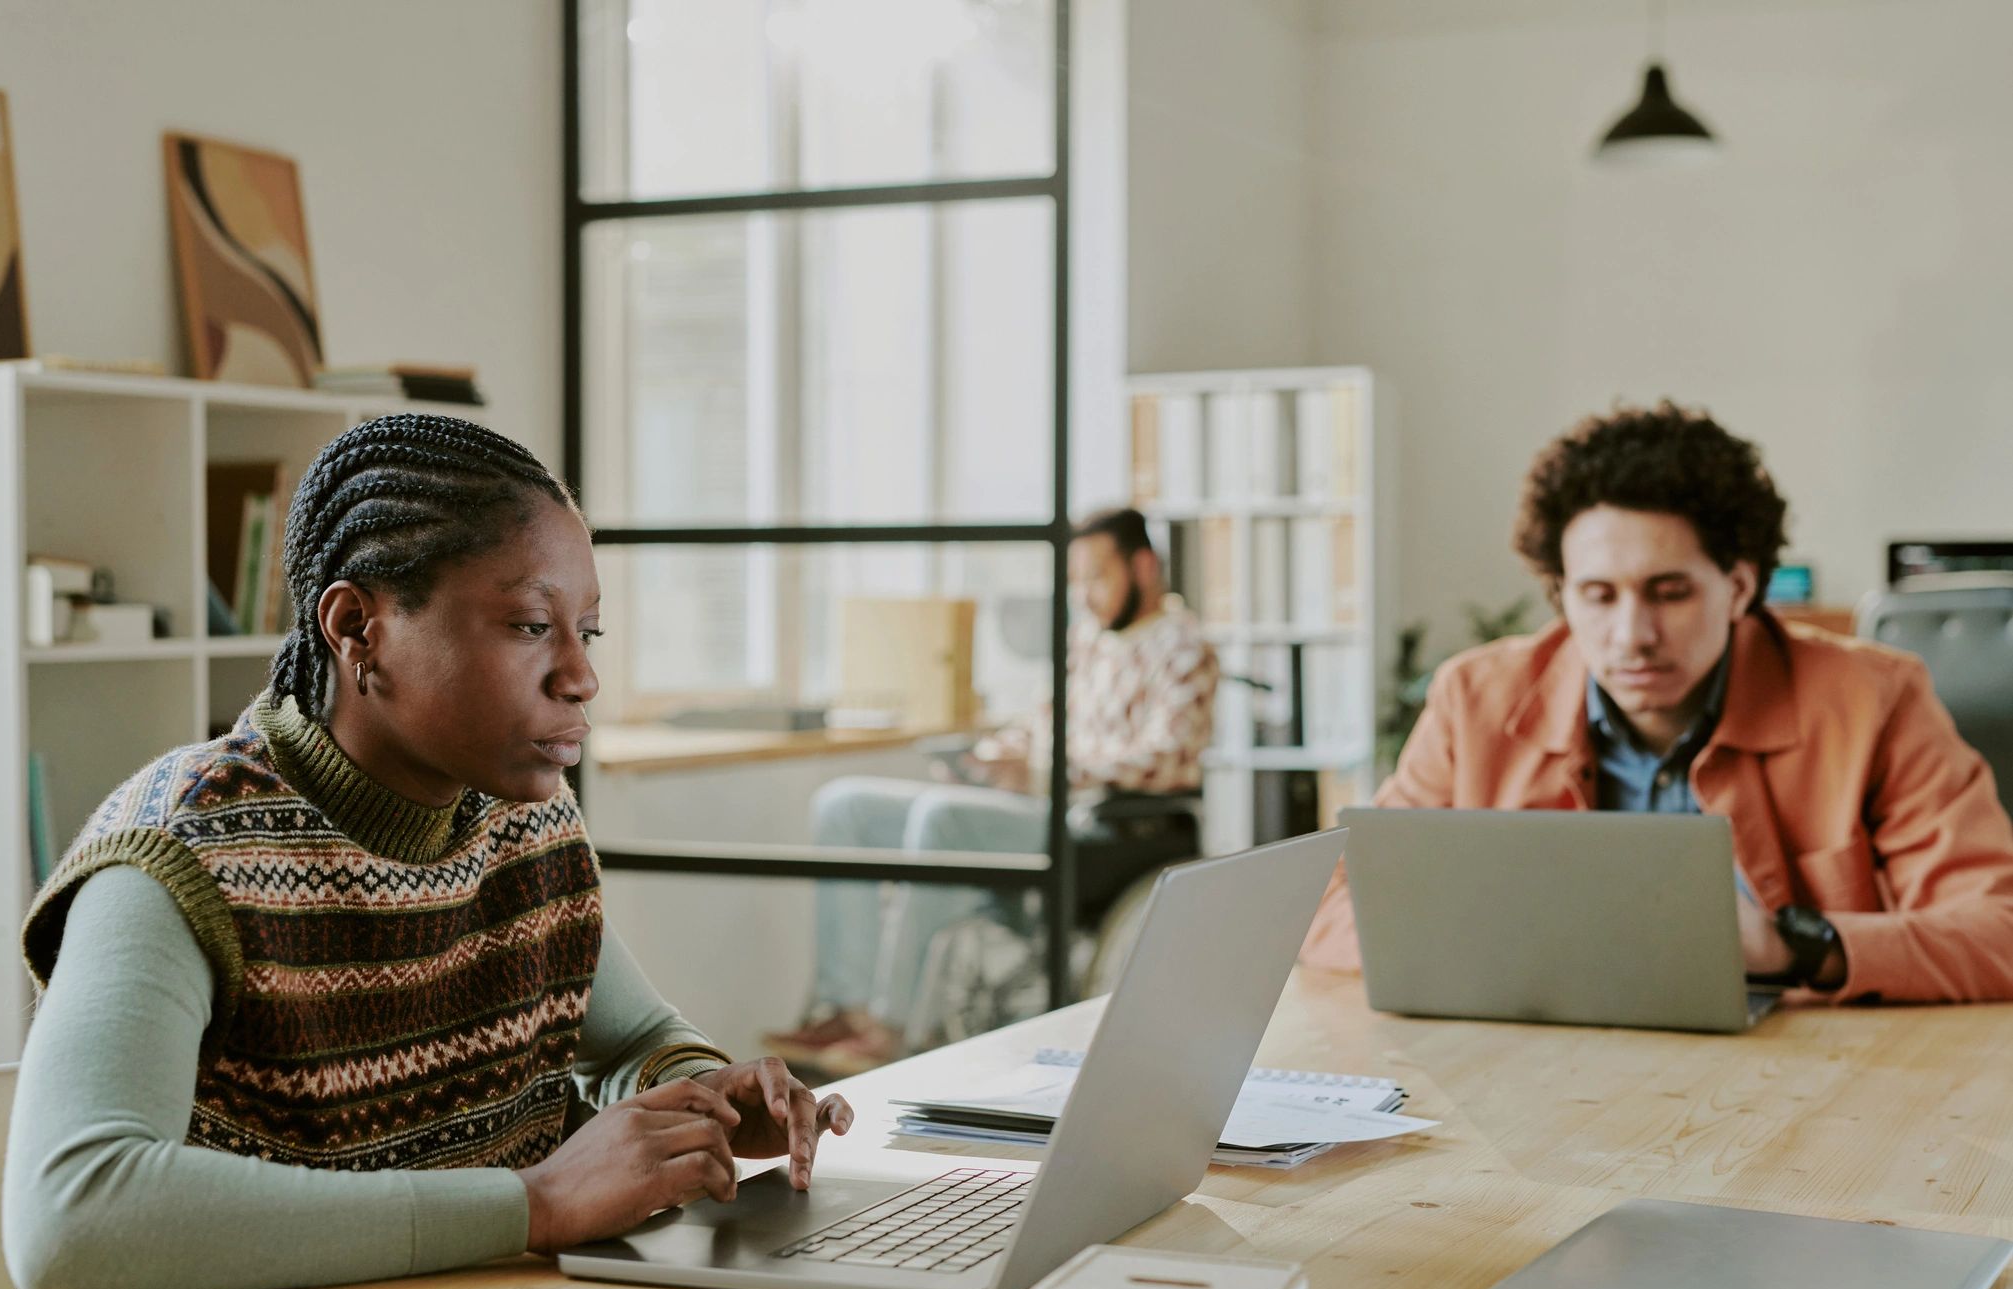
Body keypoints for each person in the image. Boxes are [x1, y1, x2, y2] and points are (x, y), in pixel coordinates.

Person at [3, 414, 853, 1289]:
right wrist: (534, 1204)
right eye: (531, 626)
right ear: (356, 628)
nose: (579, 677)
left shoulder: (522, 819)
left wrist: (699, 1102)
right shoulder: (178, 853)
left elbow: (634, 1041)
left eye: (587, 632)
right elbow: (72, 1219)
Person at [1301, 402, 2013, 1002]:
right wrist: (1495, 947)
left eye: (1669, 593)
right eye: (1597, 595)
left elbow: (1998, 930)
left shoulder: (1873, 700)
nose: (1631, 635)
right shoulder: (1474, 700)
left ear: (1739, 587)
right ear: (1561, 594)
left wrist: (1792, 948)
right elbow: (1326, 907)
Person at [767, 507, 1220, 1073]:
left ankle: (891, 1027)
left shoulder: (1185, 646)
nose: (1085, 595)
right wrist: (986, 760)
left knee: (943, 818)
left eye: (1098, 577)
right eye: (1077, 581)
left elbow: (1167, 758)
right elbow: (1037, 724)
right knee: (844, 805)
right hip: (1029, 800)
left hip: (1102, 822)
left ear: (1144, 567)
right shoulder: (1088, 640)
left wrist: (1046, 770)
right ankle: (845, 1008)